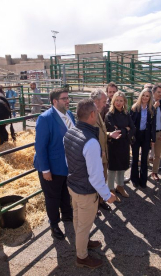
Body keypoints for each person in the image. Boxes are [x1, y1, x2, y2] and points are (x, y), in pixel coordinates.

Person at [63, 99, 116, 269]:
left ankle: (82, 243)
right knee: (84, 225)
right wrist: (107, 195)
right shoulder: (91, 142)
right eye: (96, 111)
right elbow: (95, 176)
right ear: (92, 114)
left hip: (73, 185)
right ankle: (82, 257)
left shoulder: (70, 132)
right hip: (85, 191)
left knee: (79, 220)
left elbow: (69, 160)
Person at [33, 88, 74, 240]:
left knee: (65, 191)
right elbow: (40, 147)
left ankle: (67, 215)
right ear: (54, 101)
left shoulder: (68, 114)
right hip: (51, 166)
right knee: (52, 197)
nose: (67, 101)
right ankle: (54, 224)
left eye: (67, 98)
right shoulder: (45, 118)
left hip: (65, 164)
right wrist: (45, 169)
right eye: (64, 98)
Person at [90, 89, 121, 211]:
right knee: (96, 180)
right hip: (96, 156)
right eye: (103, 101)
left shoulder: (97, 112)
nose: (105, 104)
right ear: (96, 101)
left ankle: (100, 201)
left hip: (103, 154)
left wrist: (109, 134)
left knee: (103, 178)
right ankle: (94, 206)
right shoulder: (89, 115)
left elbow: (100, 131)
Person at [105, 91, 135, 199]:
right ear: (113, 101)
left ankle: (120, 186)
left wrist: (125, 130)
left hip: (124, 144)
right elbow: (114, 131)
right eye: (116, 100)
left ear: (124, 102)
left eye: (121, 100)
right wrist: (126, 129)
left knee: (122, 167)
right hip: (113, 145)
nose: (118, 102)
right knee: (112, 169)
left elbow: (133, 128)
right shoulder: (109, 115)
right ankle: (111, 189)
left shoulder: (126, 114)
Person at [130, 88, 156, 188]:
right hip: (136, 136)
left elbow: (153, 125)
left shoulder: (152, 109)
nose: (145, 97)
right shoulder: (134, 108)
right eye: (144, 95)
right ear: (141, 96)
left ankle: (143, 180)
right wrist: (130, 136)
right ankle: (134, 179)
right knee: (135, 157)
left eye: (147, 96)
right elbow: (131, 123)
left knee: (144, 158)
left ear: (150, 98)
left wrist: (153, 139)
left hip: (146, 136)